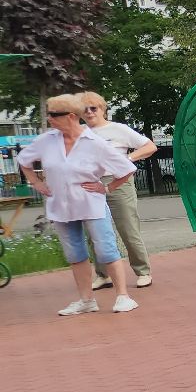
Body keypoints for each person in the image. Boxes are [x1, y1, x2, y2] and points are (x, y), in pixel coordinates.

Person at [18, 94, 140, 316]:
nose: (50, 119)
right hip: (60, 205)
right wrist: (36, 182)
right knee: (75, 252)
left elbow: (126, 169)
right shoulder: (47, 140)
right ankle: (86, 300)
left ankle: (123, 296)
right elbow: (23, 159)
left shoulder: (95, 142)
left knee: (105, 249)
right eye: (49, 115)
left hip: (91, 203)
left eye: (55, 115)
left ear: (72, 116)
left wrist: (107, 188)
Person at [76, 92, 157, 289]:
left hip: (117, 181)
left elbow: (150, 147)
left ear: (102, 109)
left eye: (93, 108)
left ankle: (143, 271)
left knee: (127, 228)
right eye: (84, 109)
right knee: (95, 232)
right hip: (90, 185)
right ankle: (104, 275)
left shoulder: (118, 129)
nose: (89, 112)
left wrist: (127, 160)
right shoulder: (79, 132)